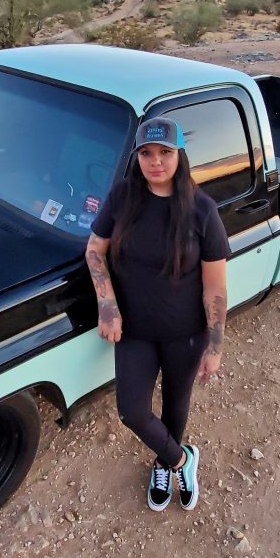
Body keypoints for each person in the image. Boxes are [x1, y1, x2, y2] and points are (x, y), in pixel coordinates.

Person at [85, 116, 229, 512]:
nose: (156, 162)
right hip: (135, 331)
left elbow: (215, 287)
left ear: (179, 155)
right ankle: (183, 459)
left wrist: (214, 345)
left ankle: (163, 462)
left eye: (165, 152)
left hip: (185, 333)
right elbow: (95, 251)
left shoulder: (202, 210)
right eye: (146, 153)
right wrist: (108, 306)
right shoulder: (122, 198)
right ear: (136, 157)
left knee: (175, 405)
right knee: (132, 410)